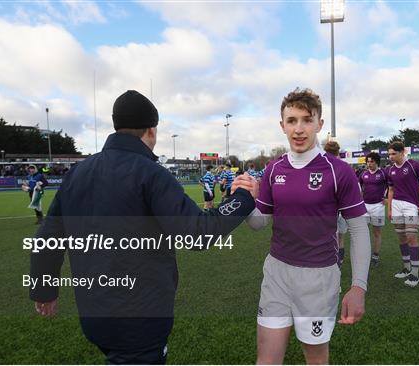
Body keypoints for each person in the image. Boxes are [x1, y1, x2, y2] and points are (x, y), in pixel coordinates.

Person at [29, 90, 258, 364]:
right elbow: (198, 233)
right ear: (152, 129)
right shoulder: (150, 172)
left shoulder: (78, 173)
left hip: (94, 315)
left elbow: (48, 238)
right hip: (140, 318)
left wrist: (44, 289)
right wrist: (243, 198)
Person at [246, 88, 371, 364]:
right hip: (276, 273)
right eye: (292, 121)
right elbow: (258, 223)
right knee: (266, 360)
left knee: (315, 359)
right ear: (282, 126)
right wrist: (244, 201)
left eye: (306, 119)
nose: (299, 129)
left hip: (319, 279)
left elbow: (360, 230)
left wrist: (358, 287)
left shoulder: (339, 171)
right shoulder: (273, 170)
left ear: (319, 124)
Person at [386, 141, 419, 288]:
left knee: (411, 237)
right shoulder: (390, 170)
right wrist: (389, 209)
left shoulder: (414, 165)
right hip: (396, 206)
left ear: (402, 152)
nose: (391, 157)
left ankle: (415, 273)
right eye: (389, 154)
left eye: (393, 153)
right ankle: (406, 268)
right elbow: (391, 191)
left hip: (411, 206)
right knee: (401, 237)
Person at [358, 152, 388, 267]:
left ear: (377, 162)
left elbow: (391, 186)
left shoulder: (383, 173)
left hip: (378, 206)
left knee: (376, 232)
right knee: (363, 232)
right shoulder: (363, 174)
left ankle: (375, 256)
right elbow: (358, 186)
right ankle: (364, 255)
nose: (369, 164)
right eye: (368, 162)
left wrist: (386, 198)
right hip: (364, 206)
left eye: (372, 162)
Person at [323, 140, 347, 265]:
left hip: (329, 211)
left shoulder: (322, 167)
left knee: (332, 237)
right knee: (340, 237)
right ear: (338, 152)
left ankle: (334, 259)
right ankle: (339, 260)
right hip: (343, 210)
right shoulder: (344, 167)